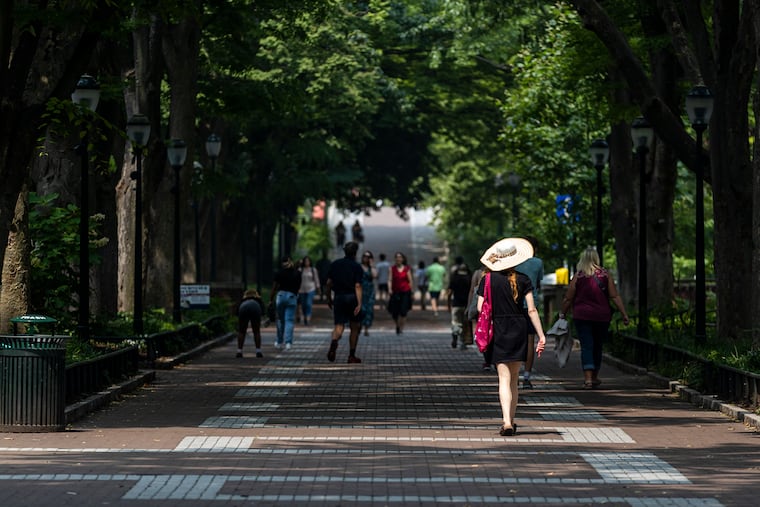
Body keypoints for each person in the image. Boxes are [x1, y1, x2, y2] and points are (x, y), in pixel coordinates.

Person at [477, 238, 546, 436]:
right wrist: (541, 335)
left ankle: (506, 420)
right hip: (518, 328)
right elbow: (531, 310)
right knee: (514, 379)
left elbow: (481, 308)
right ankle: (512, 420)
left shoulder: (487, 280)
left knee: (503, 379)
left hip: (497, 328)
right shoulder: (524, 280)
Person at [559, 247, 630, 389]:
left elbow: (568, 298)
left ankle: (588, 379)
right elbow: (614, 296)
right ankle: (595, 376)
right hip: (602, 317)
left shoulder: (578, 277)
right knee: (597, 346)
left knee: (586, 346)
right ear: (596, 258)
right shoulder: (605, 275)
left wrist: (562, 313)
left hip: (582, 316)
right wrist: (624, 314)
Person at [325, 241, 364, 363]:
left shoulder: (335, 264)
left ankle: (334, 342)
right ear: (355, 253)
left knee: (339, 325)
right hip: (352, 297)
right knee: (354, 327)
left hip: (339, 297)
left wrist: (329, 298)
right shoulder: (357, 267)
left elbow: (328, 283)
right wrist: (359, 303)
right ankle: (351, 355)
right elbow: (357, 286)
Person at [514, 236, 544, 389]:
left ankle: (514, 374)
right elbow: (538, 283)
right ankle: (526, 377)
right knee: (530, 341)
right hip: (531, 303)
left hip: (514, 305)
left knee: (515, 340)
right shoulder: (537, 263)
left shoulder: (513, 262)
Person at [270, 256, 302, 350]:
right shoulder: (297, 273)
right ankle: (288, 343)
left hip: (280, 296)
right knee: (289, 320)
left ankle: (279, 342)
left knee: (280, 320)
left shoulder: (279, 273)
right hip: (292, 297)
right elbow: (298, 287)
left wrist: (270, 300)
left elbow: (274, 287)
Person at [447, 257, 472, 350]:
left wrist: (448, 303)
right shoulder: (469, 279)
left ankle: (454, 337)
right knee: (465, 323)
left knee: (455, 322)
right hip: (466, 305)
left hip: (456, 304)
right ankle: (463, 342)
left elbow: (449, 292)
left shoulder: (455, 278)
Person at [388, 251, 413, 334]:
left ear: (402, 259)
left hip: (405, 292)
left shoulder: (406, 269)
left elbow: (410, 281)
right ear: (395, 259)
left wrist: (411, 292)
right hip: (395, 292)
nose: (398, 259)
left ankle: (401, 328)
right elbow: (390, 279)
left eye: (400, 257)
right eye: (397, 257)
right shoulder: (392, 268)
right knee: (394, 312)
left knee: (403, 311)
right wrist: (389, 289)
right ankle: (397, 325)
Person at [236, 289, 264, 358]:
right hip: (255, 308)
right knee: (256, 331)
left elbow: (237, 312)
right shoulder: (258, 301)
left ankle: (239, 351)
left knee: (242, 331)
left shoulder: (243, 301)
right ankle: (258, 351)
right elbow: (263, 312)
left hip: (243, 308)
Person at [297, 255, 321, 325]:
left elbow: (316, 279)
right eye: (305, 261)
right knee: (303, 304)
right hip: (301, 289)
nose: (307, 262)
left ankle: (308, 317)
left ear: (310, 262)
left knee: (308, 303)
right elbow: (297, 280)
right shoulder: (300, 270)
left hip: (311, 289)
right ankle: (304, 316)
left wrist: (318, 289)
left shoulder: (313, 270)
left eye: (308, 261)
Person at [360, 250, 378, 336]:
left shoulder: (372, 268)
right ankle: (359, 326)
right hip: (360, 290)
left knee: (369, 309)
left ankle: (366, 328)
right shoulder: (359, 267)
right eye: (365, 256)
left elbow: (375, 276)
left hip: (369, 291)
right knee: (361, 309)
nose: (366, 258)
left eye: (368, 257)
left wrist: (372, 265)